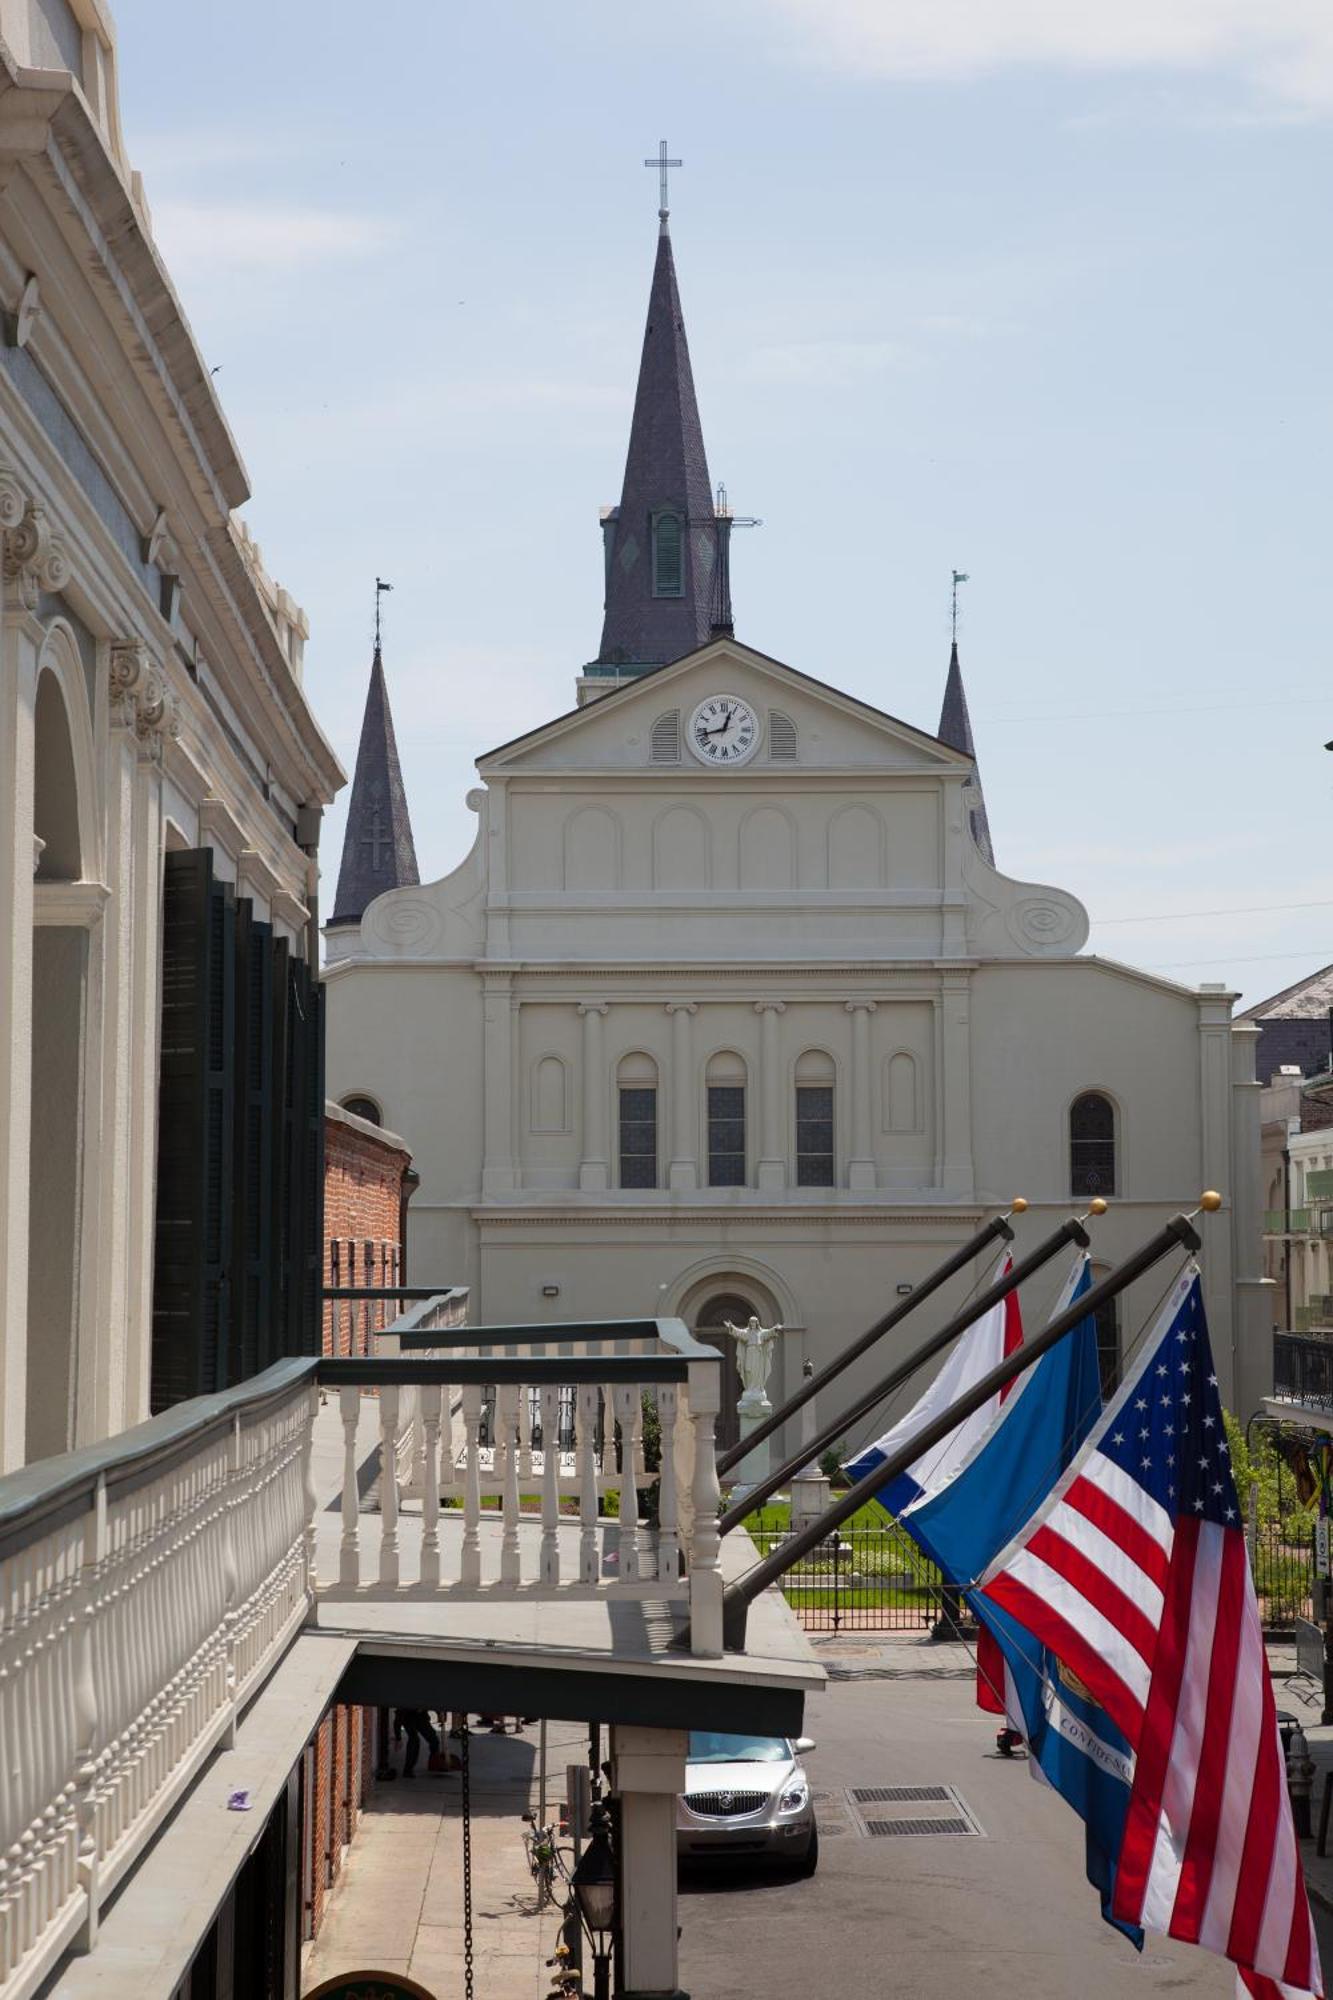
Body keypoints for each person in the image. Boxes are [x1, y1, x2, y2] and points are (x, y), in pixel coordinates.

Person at [395, 1707, 439, 1778]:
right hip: (408, 1717)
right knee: (414, 1740)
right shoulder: (404, 1708)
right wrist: (398, 1738)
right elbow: (398, 1720)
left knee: (434, 1739)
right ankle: (408, 1770)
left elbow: (435, 1702)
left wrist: (440, 1713)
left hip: (421, 1717)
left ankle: (434, 1762)